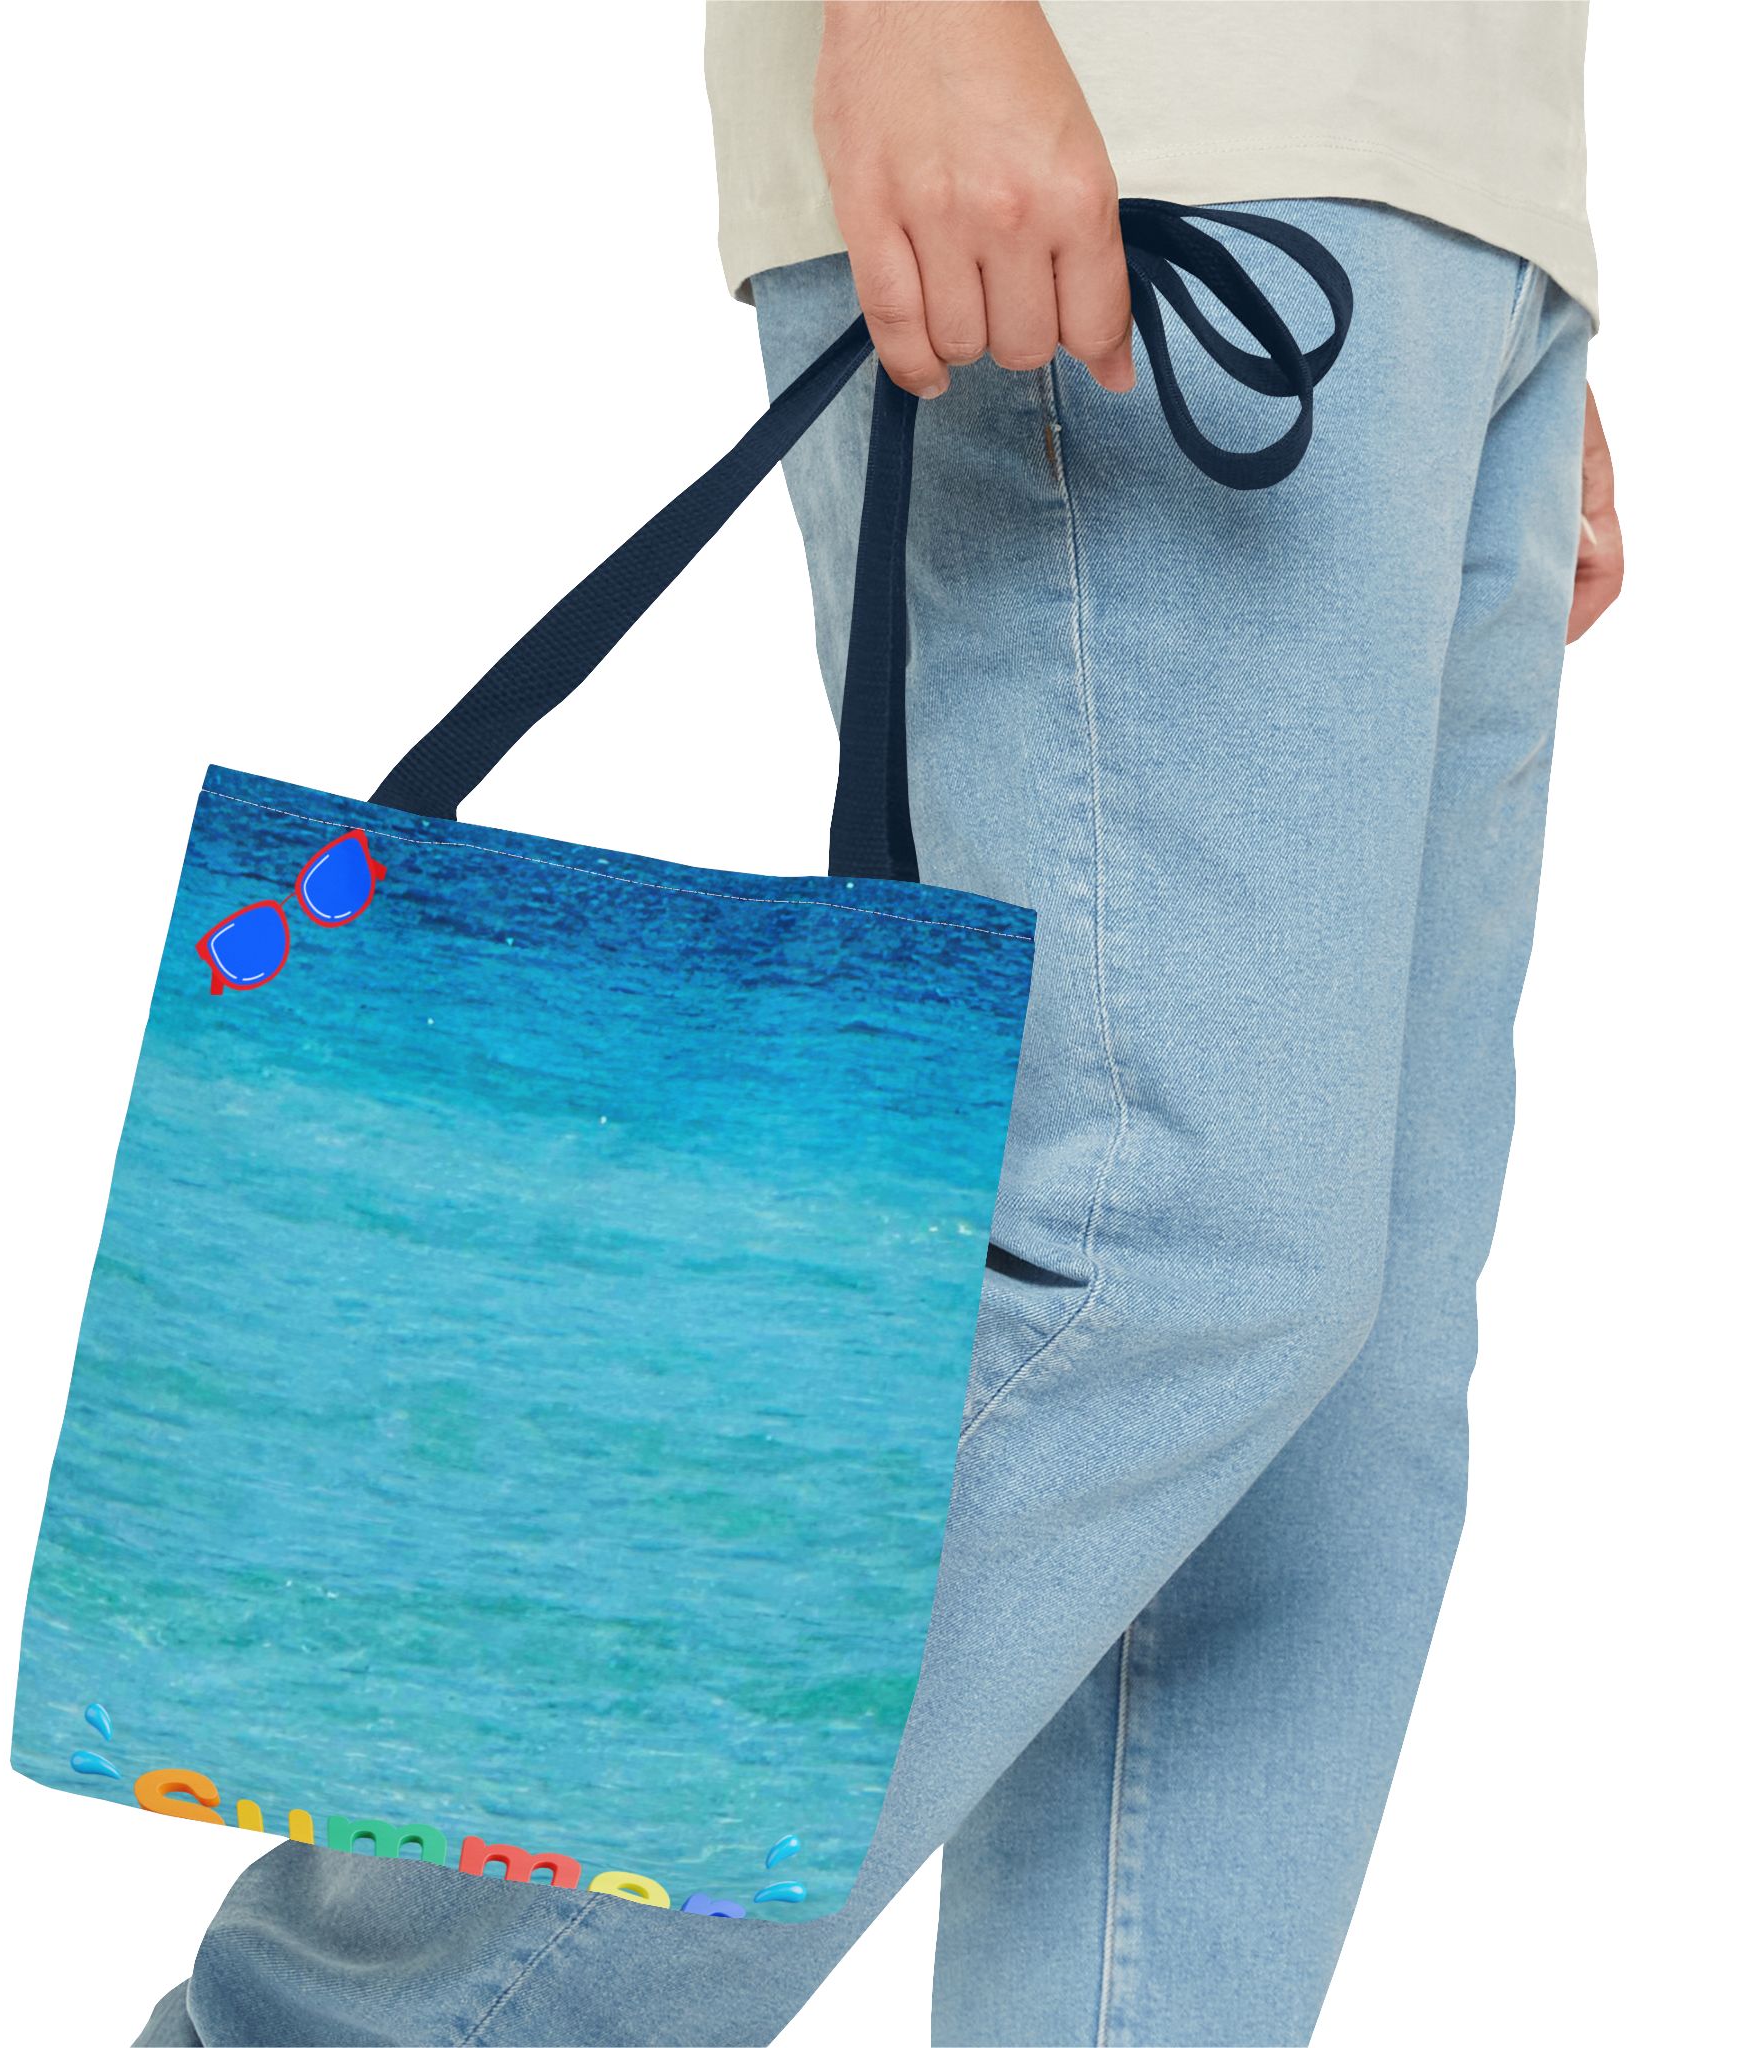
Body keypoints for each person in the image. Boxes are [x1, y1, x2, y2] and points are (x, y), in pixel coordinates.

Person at [138, 4, 1622, 2042]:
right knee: (1157, 1257)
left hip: (1438, 197)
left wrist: (1496, 248)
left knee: (1323, 1437)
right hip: (1142, 115)